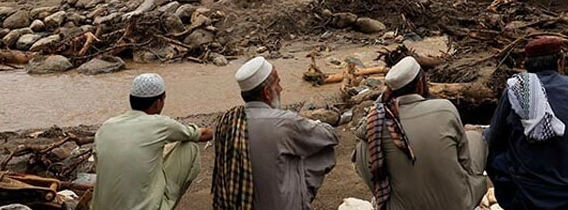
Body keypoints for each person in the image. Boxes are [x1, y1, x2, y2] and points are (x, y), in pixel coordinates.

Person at [486, 38, 568, 210]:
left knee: (490, 143)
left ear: (527, 65)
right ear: (559, 62)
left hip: (528, 197)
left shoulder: (514, 91)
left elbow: (494, 139)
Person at [353, 57, 487, 210]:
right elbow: (465, 162)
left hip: (401, 206)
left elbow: (360, 131)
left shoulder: (380, 120)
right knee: (475, 137)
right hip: (458, 204)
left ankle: (384, 199)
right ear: (420, 84)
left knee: (363, 147)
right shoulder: (445, 108)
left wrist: (381, 100)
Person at [212, 57, 338, 210]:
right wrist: (312, 122)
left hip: (237, 205)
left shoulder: (228, 121)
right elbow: (330, 136)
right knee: (322, 149)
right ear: (267, 93)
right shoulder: (284, 122)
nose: (281, 89)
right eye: (277, 83)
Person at [93, 73, 213, 210]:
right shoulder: (161, 124)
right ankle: (165, 202)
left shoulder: (106, 126)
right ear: (158, 102)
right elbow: (202, 134)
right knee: (189, 146)